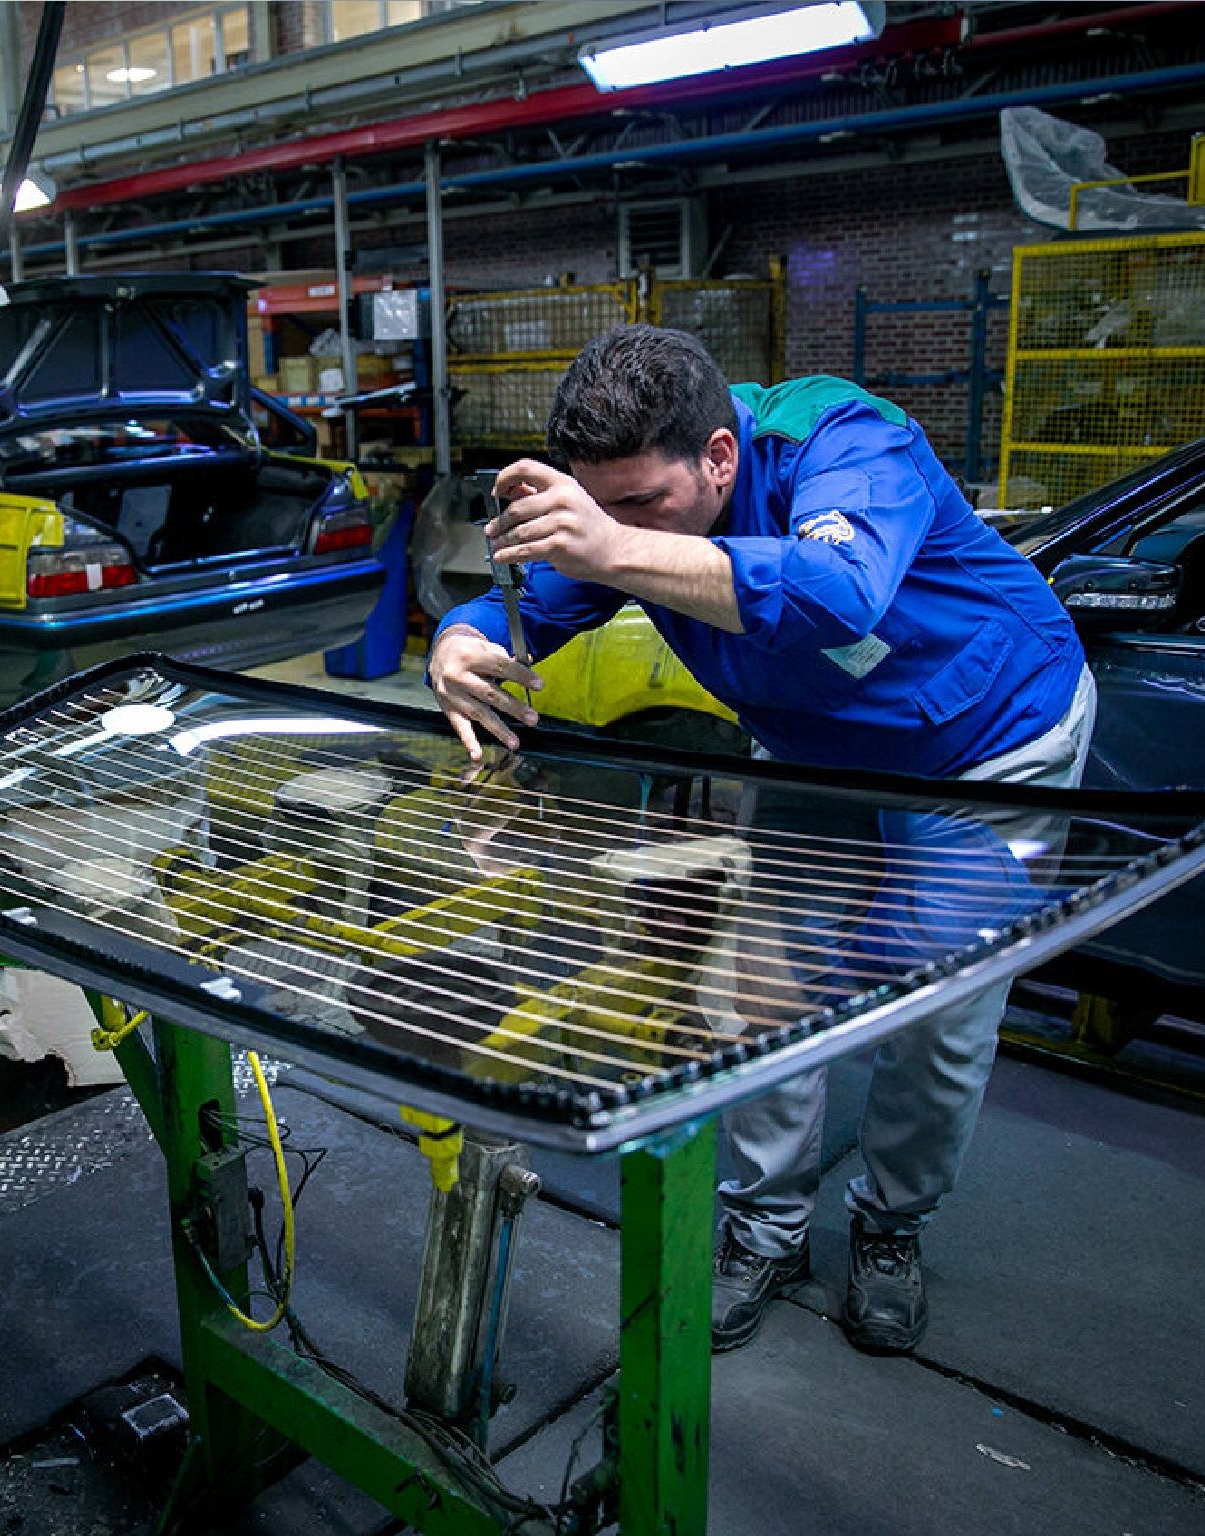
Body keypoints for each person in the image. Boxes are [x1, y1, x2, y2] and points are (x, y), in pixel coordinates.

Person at [430, 325, 1095, 1357]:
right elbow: (536, 599)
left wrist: (609, 545)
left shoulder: (846, 439)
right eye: (597, 505)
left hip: (987, 740)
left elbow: (838, 595)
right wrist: (461, 640)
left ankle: (888, 1227)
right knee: (761, 992)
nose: (617, 527)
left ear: (719, 459)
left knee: (937, 1014)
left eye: (639, 505)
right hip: (814, 748)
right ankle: (765, 1225)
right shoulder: (635, 502)